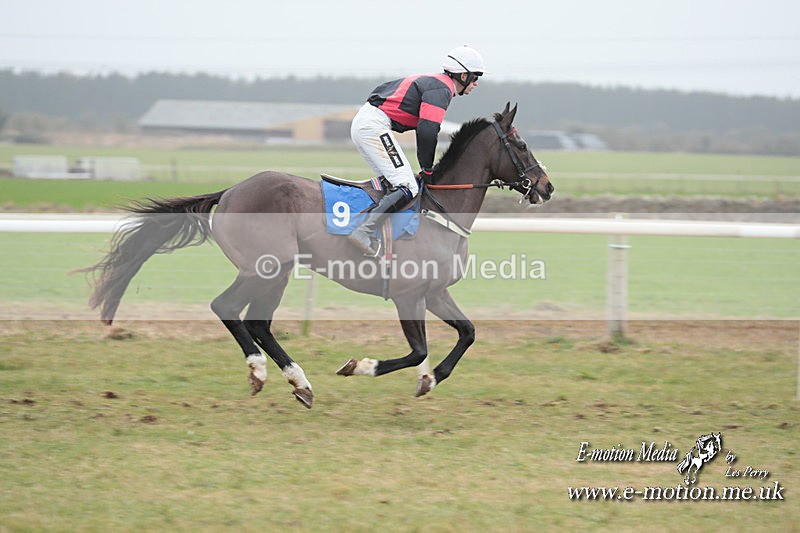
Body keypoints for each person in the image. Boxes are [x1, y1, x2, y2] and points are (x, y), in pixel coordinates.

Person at [347, 45, 486, 257]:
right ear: (463, 75)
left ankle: (380, 235)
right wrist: (428, 169)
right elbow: (428, 130)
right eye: (475, 77)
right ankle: (363, 232)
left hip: (369, 122)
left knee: (394, 184)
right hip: (373, 125)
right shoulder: (442, 89)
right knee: (407, 186)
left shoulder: (436, 83)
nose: (476, 84)